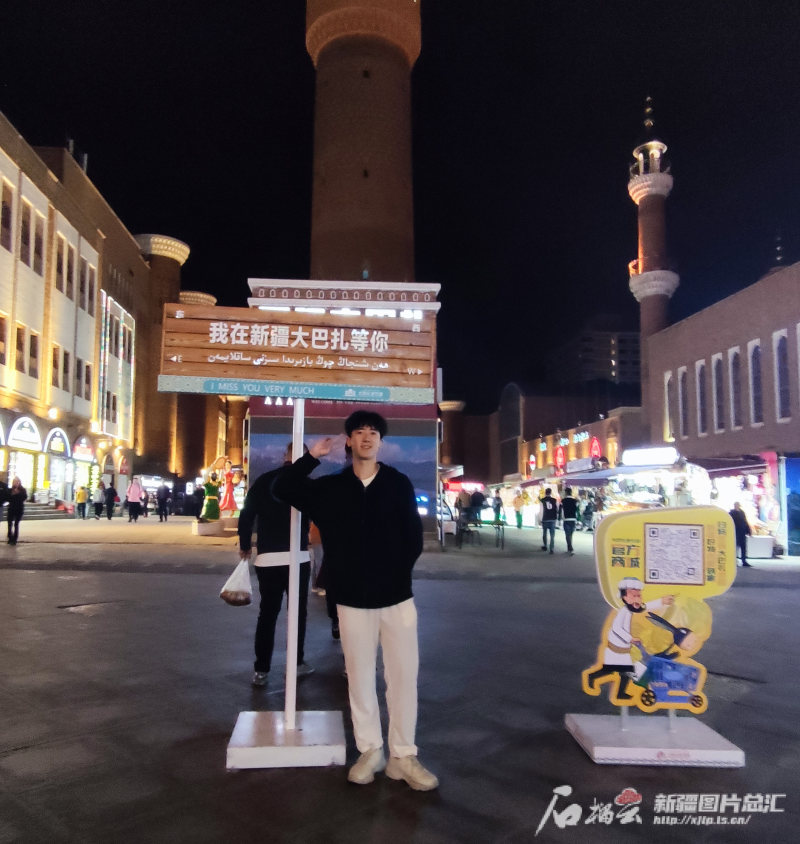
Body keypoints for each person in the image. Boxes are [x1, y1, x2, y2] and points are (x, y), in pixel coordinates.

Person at [273, 410, 437, 791]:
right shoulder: (331, 488)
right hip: (350, 599)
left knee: (403, 677)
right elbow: (282, 488)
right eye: (359, 431)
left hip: (396, 598)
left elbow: (413, 537)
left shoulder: (397, 483)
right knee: (359, 677)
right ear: (348, 440)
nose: (366, 437)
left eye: (373, 432)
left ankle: (403, 756)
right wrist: (311, 457)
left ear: (380, 441)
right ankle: (370, 750)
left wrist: (396, 573)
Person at [238, 444, 314, 687]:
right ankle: (296, 663)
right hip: (298, 558)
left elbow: (246, 514)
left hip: (268, 558)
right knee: (297, 613)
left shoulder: (264, 481)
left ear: (285, 456)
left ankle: (261, 669)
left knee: (268, 613)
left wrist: (245, 544)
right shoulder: (305, 483)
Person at [585, 578, 674, 702]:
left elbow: (644, 607)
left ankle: (620, 693)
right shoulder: (623, 611)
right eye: (634, 596)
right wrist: (630, 638)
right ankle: (592, 677)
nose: (638, 599)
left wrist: (661, 601)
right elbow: (616, 628)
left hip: (624, 648)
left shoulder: (631, 609)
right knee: (611, 670)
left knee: (626, 672)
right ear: (625, 598)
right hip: (616, 648)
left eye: (639, 596)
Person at [729, 501, 753, 567]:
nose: (737, 506)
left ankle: (744, 560)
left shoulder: (742, 512)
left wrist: (748, 530)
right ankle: (735, 561)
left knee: (743, 547)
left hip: (742, 532)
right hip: (736, 532)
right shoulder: (732, 513)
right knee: (735, 547)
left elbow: (745, 521)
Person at [7, 477, 27, 545]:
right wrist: (12, 494)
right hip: (11, 508)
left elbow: (24, 497)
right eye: (15, 481)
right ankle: (10, 537)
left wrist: (17, 494)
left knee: (16, 523)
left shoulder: (23, 490)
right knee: (10, 523)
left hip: (19, 508)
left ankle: (15, 538)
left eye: (17, 481)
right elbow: (8, 498)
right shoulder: (10, 490)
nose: (16, 483)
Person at [558, 487, 579, 556]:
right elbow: (577, 510)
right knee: (570, 535)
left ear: (566, 493)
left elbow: (560, 511)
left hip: (566, 519)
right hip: (573, 519)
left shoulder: (563, 501)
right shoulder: (575, 501)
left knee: (567, 535)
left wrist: (559, 519)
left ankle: (570, 548)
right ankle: (569, 548)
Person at [540, 487, 558, 554]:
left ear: (545, 493)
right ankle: (552, 548)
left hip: (545, 519)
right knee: (552, 535)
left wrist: (540, 519)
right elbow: (557, 509)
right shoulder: (555, 500)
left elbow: (541, 510)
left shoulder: (542, 500)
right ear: (551, 493)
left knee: (545, 533)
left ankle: (545, 545)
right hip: (552, 519)